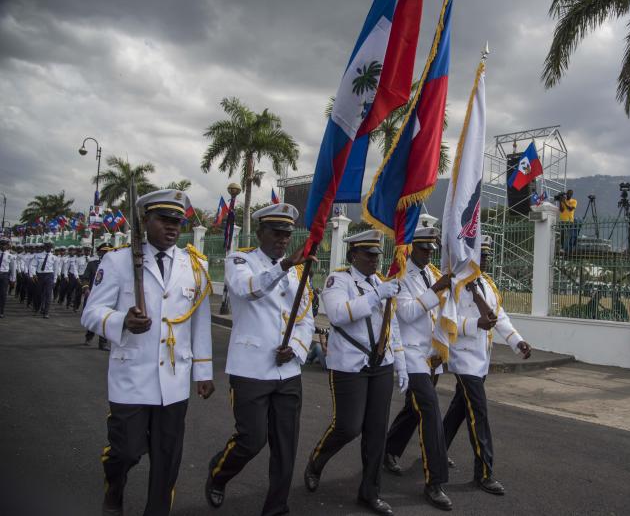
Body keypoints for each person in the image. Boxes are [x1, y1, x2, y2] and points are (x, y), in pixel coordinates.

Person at [81, 189, 215, 516]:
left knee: (167, 458)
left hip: (174, 378)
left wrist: (204, 372)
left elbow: (200, 324)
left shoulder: (194, 266)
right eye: (164, 220)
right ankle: (115, 485)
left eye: (177, 222)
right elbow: (90, 312)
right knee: (125, 451)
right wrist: (121, 320)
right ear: (145, 221)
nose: (172, 228)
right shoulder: (117, 261)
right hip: (132, 375)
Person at [205, 203, 314, 515]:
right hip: (251, 369)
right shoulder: (240, 260)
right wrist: (283, 267)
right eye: (276, 232)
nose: (282, 239)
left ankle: (276, 507)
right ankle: (218, 473)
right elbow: (246, 290)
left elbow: (305, 318)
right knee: (251, 440)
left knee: (285, 445)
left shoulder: (297, 271)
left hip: (288, 371)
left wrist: (296, 346)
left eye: (287, 234)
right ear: (260, 232)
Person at [304, 230, 407, 516]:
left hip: (381, 365)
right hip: (350, 365)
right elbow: (338, 314)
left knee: (376, 432)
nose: (374, 260)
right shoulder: (339, 280)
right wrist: (377, 294)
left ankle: (370, 493)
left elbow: (391, 325)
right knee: (348, 426)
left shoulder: (380, 283)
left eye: (377, 255)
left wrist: (400, 361)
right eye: (368, 254)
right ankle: (317, 460)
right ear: (353, 255)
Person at [442, 235, 533, 496]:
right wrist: (474, 325)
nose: (486, 259)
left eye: (488, 255)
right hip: (464, 359)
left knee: (459, 410)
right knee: (478, 415)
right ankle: (484, 473)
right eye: (481, 255)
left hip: (481, 361)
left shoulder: (488, 284)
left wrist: (517, 341)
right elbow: (443, 323)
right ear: (470, 257)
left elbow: (499, 317)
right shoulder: (456, 285)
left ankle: (436, 449)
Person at [383, 227, 453, 511]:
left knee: (413, 409)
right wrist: (436, 289)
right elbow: (409, 313)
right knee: (429, 411)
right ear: (411, 249)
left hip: (430, 356)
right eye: (423, 249)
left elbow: (439, 312)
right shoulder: (400, 276)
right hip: (410, 356)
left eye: (431, 250)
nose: (428, 254)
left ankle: (389, 449)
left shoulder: (432, 273)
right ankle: (435, 481)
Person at [81, 242, 113, 350]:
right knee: (94, 317)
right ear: (99, 252)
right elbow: (85, 277)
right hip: (94, 296)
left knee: (105, 318)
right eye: (104, 251)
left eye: (108, 251)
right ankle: (89, 336)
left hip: (109, 296)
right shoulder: (92, 264)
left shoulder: (115, 266)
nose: (106, 253)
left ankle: (103, 343)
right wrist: (86, 288)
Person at [30, 241, 56, 318]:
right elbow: (33, 265)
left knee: (48, 294)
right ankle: (37, 309)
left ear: (51, 248)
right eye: (47, 246)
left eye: (50, 247)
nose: (48, 248)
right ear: (44, 247)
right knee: (38, 294)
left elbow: (56, 269)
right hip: (40, 276)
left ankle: (46, 312)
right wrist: (34, 274)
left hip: (49, 275)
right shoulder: (38, 255)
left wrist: (55, 280)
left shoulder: (54, 257)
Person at [0, 238, 17, 318]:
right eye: (2, 244)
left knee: (3, 294)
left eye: (5, 244)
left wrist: (13, 280)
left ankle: (1, 311)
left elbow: (13, 269)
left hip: (4, 275)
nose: (3, 246)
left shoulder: (11, 256)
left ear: (7, 246)